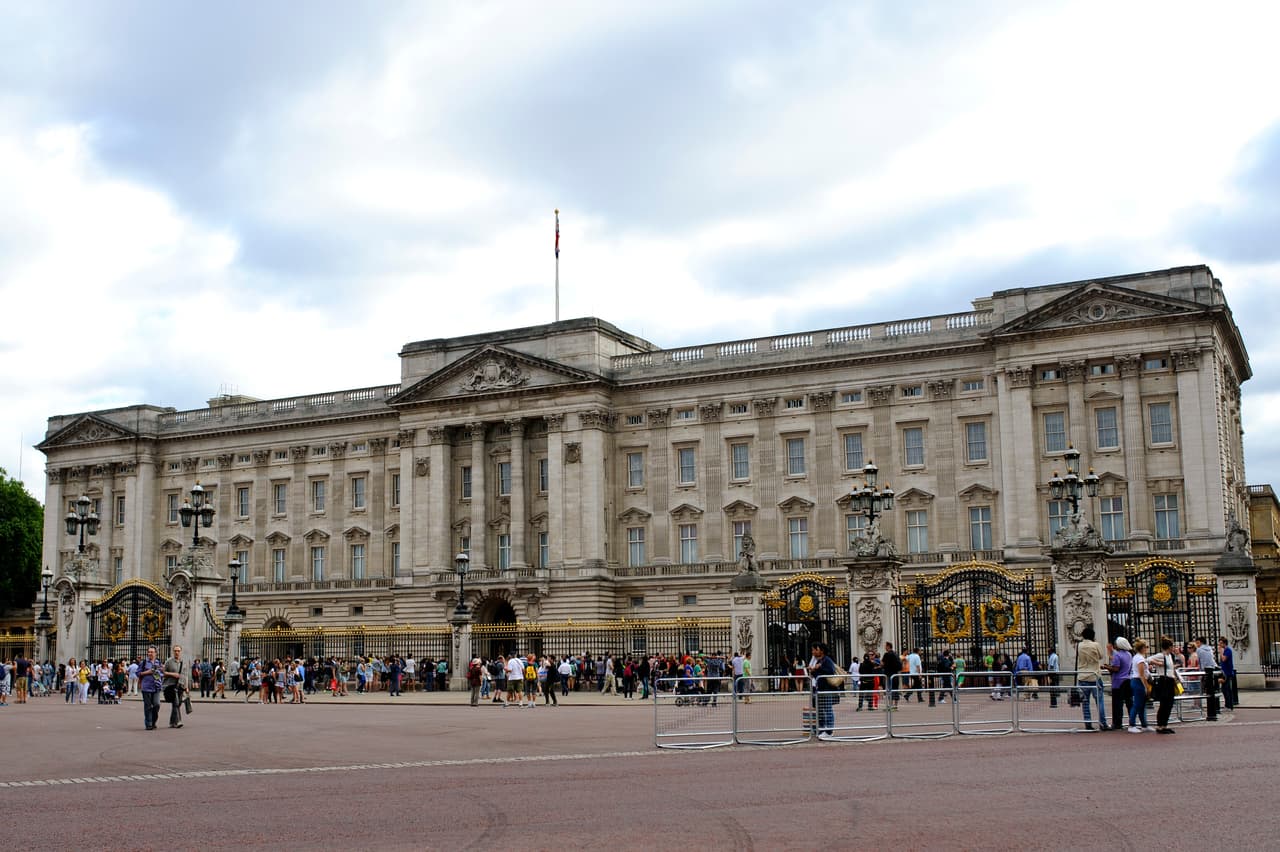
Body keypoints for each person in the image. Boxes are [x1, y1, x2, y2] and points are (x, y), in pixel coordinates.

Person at [1148, 636, 1182, 734]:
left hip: (1170, 680)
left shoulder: (1169, 656)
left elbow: (1170, 668)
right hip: (1164, 680)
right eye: (1172, 646)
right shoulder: (1161, 655)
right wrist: (1157, 663)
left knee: (1169, 703)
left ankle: (1164, 724)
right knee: (1164, 703)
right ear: (1169, 647)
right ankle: (1160, 725)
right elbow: (1148, 660)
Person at [1075, 627, 1107, 730]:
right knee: (1100, 701)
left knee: (1085, 702)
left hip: (1082, 676)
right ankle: (1103, 723)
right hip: (1094, 676)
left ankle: (1088, 723)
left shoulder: (1078, 645)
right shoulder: (1095, 645)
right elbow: (1101, 656)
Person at [809, 643, 840, 740]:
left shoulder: (827, 660)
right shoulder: (819, 660)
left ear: (821, 651)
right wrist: (813, 670)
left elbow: (830, 671)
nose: (813, 652)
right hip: (820, 688)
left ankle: (829, 731)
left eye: (815, 649)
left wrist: (819, 668)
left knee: (827, 710)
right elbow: (817, 675)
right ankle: (822, 729)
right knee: (820, 710)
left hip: (827, 689)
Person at [1105, 638, 1134, 731]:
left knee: (1117, 704)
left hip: (1118, 682)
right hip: (1127, 680)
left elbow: (1116, 669)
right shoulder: (1129, 654)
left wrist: (1106, 667)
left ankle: (1117, 723)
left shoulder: (1118, 655)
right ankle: (1132, 721)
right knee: (1129, 703)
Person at [1127, 639, 1153, 732]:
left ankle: (1144, 724)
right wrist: (1146, 686)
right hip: (1138, 681)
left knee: (1141, 704)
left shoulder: (1138, 657)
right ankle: (1131, 724)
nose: (1147, 649)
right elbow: (1142, 675)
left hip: (1137, 681)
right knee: (1137, 704)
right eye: (1146, 647)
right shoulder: (1140, 659)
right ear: (1142, 648)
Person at [162, 645, 189, 729]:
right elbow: (163, 673)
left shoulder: (184, 662)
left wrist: (186, 686)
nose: (177, 652)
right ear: (173, 652)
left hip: (180, 685)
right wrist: (172, 674)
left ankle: (172, 722)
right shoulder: (169, 662)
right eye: (175, 651)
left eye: (178, 651)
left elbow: (185, 675)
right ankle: (178, 721)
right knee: (176, 703)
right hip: (171, 686)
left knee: (177, 704)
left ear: (180, 652)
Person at [138, 646, 164, 730]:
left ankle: (153, 721)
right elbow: (138, 673)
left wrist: (159, 674)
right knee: (148, 706)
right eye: (149, 652)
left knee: (157, 704)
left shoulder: (158, 662)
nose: (150, 653)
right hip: (146, 687)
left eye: (152, 652)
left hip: (156, 686)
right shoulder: (144, 662)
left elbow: (162, 673)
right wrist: (148, 672)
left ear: (156, 653)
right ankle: (148, 724)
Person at [1218, 637, 1237, 710]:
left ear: (1224, 643)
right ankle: (1227, 705)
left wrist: (1221, 652)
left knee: (1227, 689)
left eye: (1220, 643)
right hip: (1224, 672)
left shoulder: (1228, 650)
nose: (1219, 645)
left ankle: (1229, 706)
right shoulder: (1225, 650)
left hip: (1228, 672)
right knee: (1224, 689)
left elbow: (1224, 659)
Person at [881, 643, 902, 709]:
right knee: (895, 689)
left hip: (889, 674)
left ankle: (890, 705)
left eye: (885, 646)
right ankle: (895, 705)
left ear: (888, 646)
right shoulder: (895, 654)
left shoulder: (887, 654)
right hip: (895, 674)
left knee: (889, 689)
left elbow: (882, 663)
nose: (885, 647)